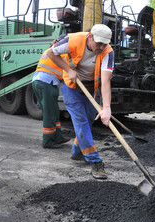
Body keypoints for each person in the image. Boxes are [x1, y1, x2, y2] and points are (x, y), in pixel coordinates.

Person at [47, 24, 114, 179]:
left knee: (89, 121)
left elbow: (106, 81)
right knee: (81, 121)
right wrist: (69, 70)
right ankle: (95, 162)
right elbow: (51, 52)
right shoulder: (73, 40)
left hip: (92, 89)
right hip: (72, 87)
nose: (101, 47)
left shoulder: (108, 52)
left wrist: (106, 107)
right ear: (90, 36)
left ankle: (77, 152)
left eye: (104, 44)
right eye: (98, 43)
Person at [32, 34, 70, 149]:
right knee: (49, 113)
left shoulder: (51, 49)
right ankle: (47, 141)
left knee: (54, 111)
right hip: (47, 83)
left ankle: (58, 137)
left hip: (40, 81)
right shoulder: (62, 52)